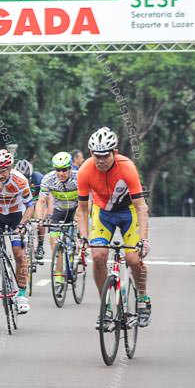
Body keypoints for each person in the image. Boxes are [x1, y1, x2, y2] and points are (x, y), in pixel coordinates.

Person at [75, 127, 151, 327]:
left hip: (128, 212)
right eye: (95, 155)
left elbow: (141, 207)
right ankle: (106, 307)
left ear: (114, 153)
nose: (100, 160)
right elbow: (82, 210)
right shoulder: (84, 170)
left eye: (105, 156)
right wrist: (83, 237)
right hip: (103, 213)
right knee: (98, 256)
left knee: (134, 259)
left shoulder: (127, 167)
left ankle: (142, 299)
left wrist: (143, 240)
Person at [0, 149, 35, 314]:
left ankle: (21, 295)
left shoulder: (20, 181)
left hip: (16, 216)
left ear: (10, 167)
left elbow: (30, 206)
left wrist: (22, 225)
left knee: (19, 254)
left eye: (2, 171)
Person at [36, 152, 79, 287]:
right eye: (58, 170)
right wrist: (39, 219)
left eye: (64, 169)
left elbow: (86, 201)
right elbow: (42, 200)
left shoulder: (79, 178)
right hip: (60, 210)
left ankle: (74, 251)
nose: (61, 173)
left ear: (70, 168)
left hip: (76, 208)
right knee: (55, 242)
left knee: (73, 240)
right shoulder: (48, 179)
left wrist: (79, 218)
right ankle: (59, 275)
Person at [14, 158, 46, 259]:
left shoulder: (39, 178)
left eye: (27, 177)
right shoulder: (13, 180)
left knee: (40, 220)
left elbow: (44, 198)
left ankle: (40, 245)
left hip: (36, 201)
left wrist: (43, 215)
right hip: (23, 203)